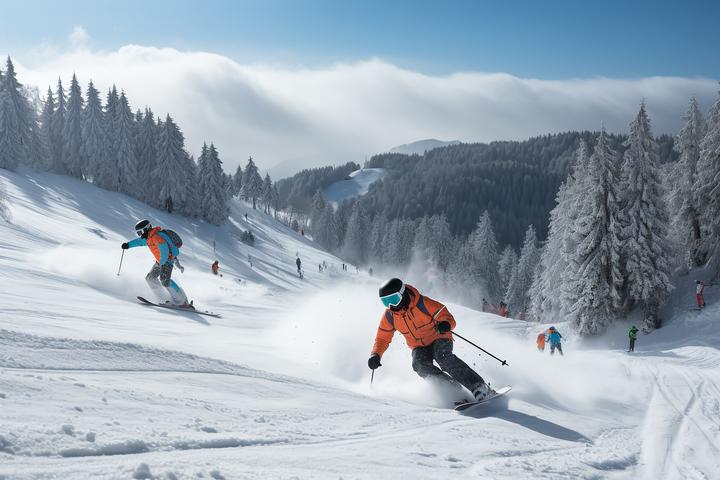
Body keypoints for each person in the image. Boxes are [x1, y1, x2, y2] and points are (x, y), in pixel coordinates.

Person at [367, 278, 494, 401]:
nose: (391, 306)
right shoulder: (390, 316)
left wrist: (446, 324)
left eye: (393, 300)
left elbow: (447, 317)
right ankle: (453, 390)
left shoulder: (423, 304)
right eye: (385, 302)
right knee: (419, 365)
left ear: (402, 294)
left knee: (443, 357)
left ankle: (479, 386)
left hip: (439, 337)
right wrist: (376, 355)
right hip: (419, 346)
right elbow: (382, 338)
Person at [121, 219, 191, 307]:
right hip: (160, 261)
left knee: (165, 281)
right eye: (138, 233)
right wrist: (128, 245)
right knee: (150, 278)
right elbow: (138, 242)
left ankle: (182, 301)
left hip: (167, 261)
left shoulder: (156, 237)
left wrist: (162, 263)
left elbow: (164, 250)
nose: (140, 235)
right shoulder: (149, 238)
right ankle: (163, 298)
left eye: (140, 232)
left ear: (145, 229)